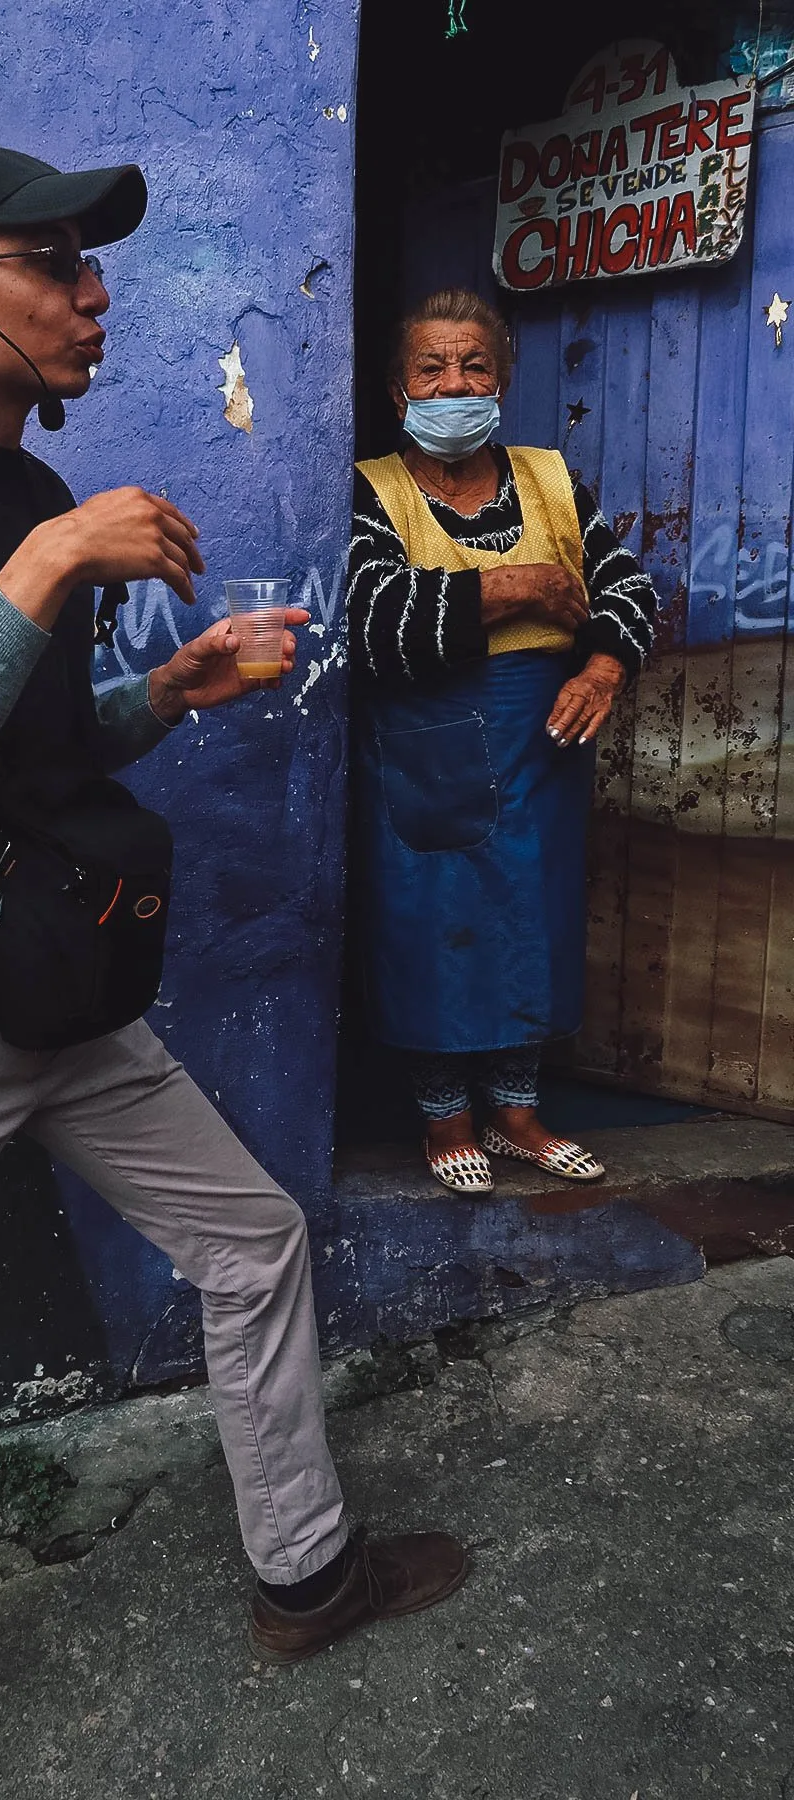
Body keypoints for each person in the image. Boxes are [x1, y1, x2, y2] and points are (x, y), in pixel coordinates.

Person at [0, 144, 470, 1800]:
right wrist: (56, 564)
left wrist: (175, 695)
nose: (94, 296)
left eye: (93, 264)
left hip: (51, 992)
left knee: (254, 1240)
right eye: (51, 263)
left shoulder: (27, 507)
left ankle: (304, 1575)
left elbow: (25, 755)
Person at [349, 288, 656, 1196]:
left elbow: (628, 591)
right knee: (434, 933)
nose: (456, 383)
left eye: (475, 364)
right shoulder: (374, 490)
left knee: (532, 926)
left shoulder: (553, 480)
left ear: (505, 379)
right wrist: (517, 589)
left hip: (541, 753)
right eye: (432, 368)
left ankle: (517, 1113)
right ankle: (445, 1120)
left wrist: (602, 666)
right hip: (425, 757)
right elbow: (374, 623)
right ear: (399, 393)